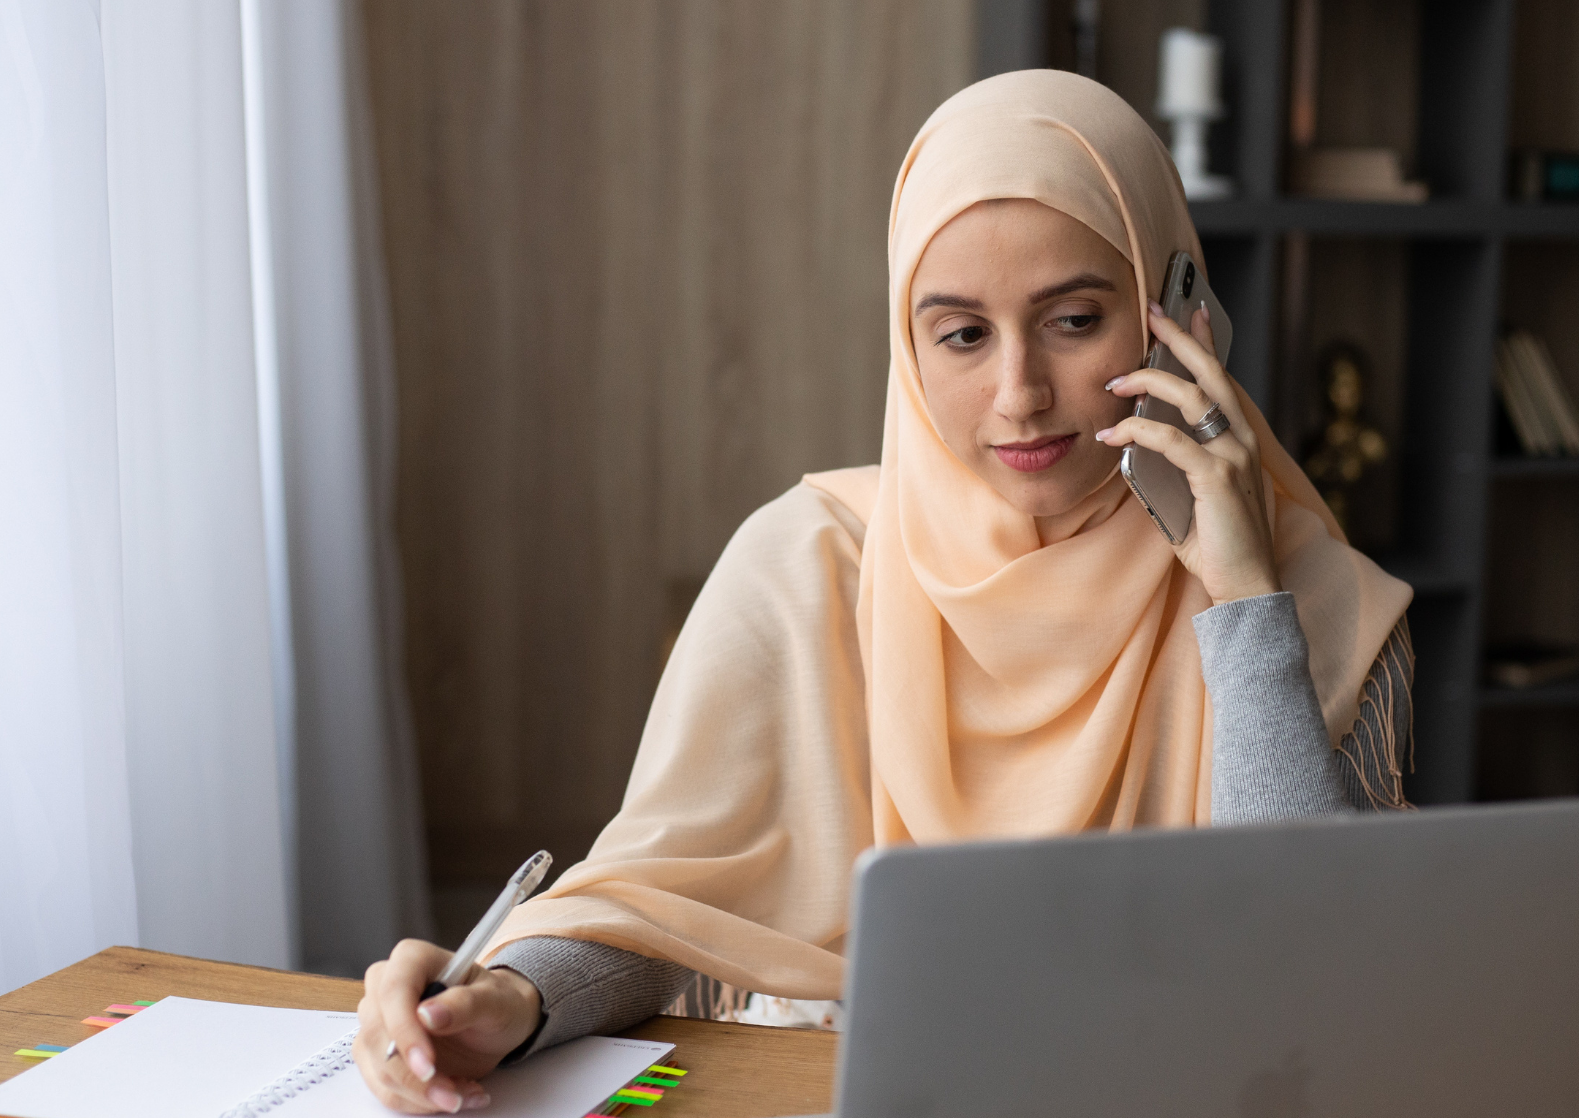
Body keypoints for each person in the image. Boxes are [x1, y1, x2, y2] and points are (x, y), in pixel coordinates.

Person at [354, 69, 1414, 1114]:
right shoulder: (809, 563)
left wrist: (1238, 597)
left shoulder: (1309, 605)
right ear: (907, 351)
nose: (1017, 395)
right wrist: (510, 994)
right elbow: (671, 900)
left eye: (1073, 318)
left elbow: (1308, 980)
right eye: (960, 333)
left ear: (1175, 308)